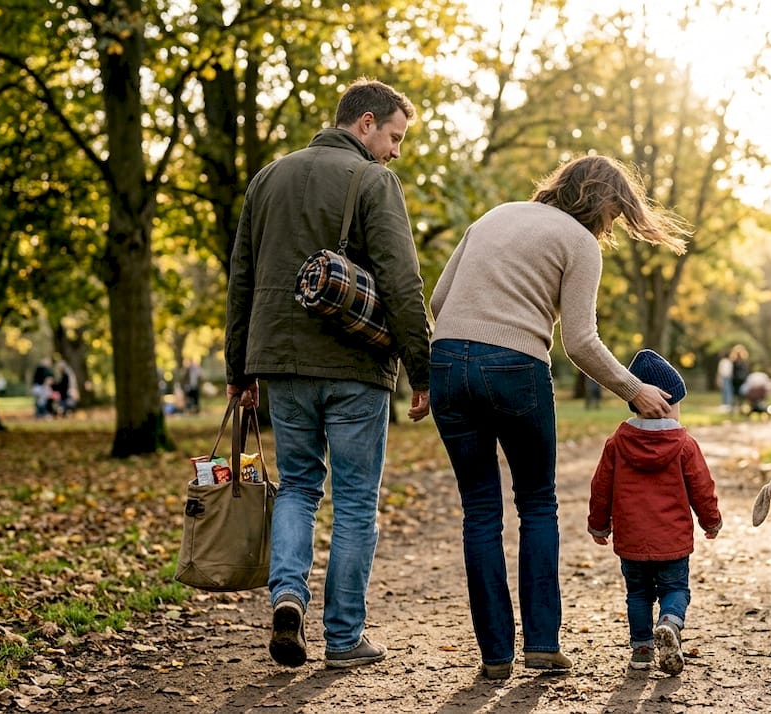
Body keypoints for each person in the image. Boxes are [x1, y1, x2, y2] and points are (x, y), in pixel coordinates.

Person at [428, 154, 689, 680]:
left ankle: (495, 657)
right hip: (515, 367)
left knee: (479, 510)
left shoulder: (495, 215)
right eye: (615, 215)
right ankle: (543, 645)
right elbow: (581, 342)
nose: (611, 226)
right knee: (537, 505)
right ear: (601, 202)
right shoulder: (579, 242)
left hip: (447, 364)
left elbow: (438, 298)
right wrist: (634, 389)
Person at [224, 77, 432, 671]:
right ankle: (343, 638)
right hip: (354, 367)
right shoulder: (373, 180)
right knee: (357, 500)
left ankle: (287, 597)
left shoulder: (267, 178)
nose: (395, 151)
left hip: (280, 365)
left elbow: (241, 279)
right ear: (365, 123)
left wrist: (238, 369)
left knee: (297, 486)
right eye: (393, 136)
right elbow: (401, 282)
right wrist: (422, 370)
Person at [587, 349, 721, 675]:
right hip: (672, 540)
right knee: (675, 589)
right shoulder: (684, 444)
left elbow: (601, 488)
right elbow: (701, 488)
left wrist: (599, 526)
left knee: (637, 594)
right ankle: (670, 624)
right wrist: (711, 520)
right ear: (666, 402)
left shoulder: (617, 443)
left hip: (632, 539)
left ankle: (642, 650)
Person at [729, 344, 749, 410]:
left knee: (741, 396)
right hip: (735, 382)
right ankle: (733, 408)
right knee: (735, 396)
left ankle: (740, 408)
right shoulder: (734, 362)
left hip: (742, 381)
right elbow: (732, 372)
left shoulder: (744, 362)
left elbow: (746, 371)